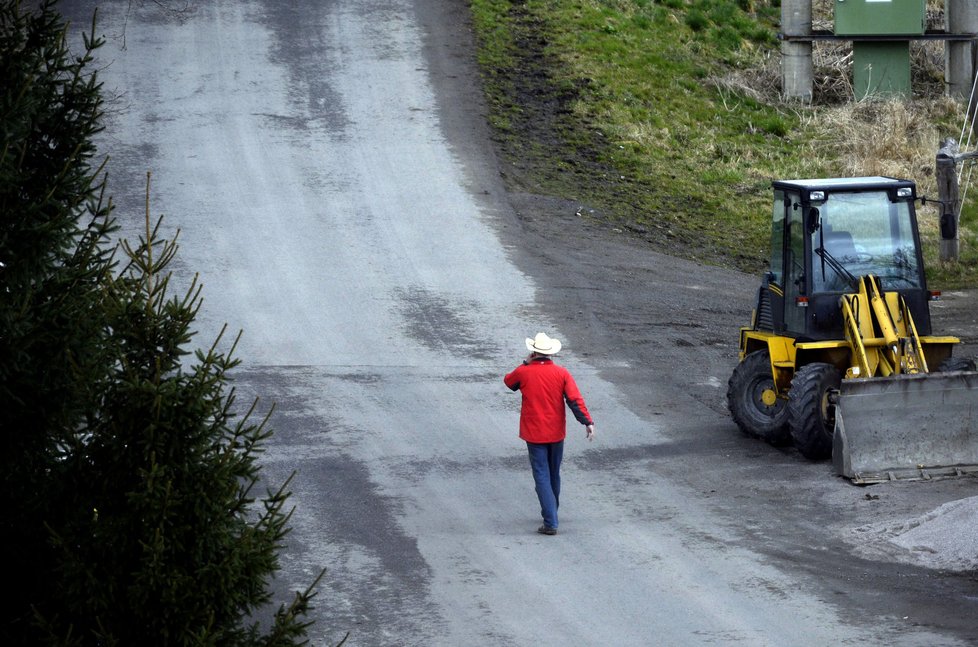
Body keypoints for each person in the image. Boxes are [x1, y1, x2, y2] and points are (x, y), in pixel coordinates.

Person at [503, 332, 594, 536]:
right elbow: (575, 401)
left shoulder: (524, 372)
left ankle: (550, 520)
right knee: (554, 473)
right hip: (556, 432)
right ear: (551, 353)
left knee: (541, 475)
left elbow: (509, 382)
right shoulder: (562, 373)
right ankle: (552, 510)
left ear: (534, 352)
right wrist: (587, 422)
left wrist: (525, 363)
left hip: (534, 433)